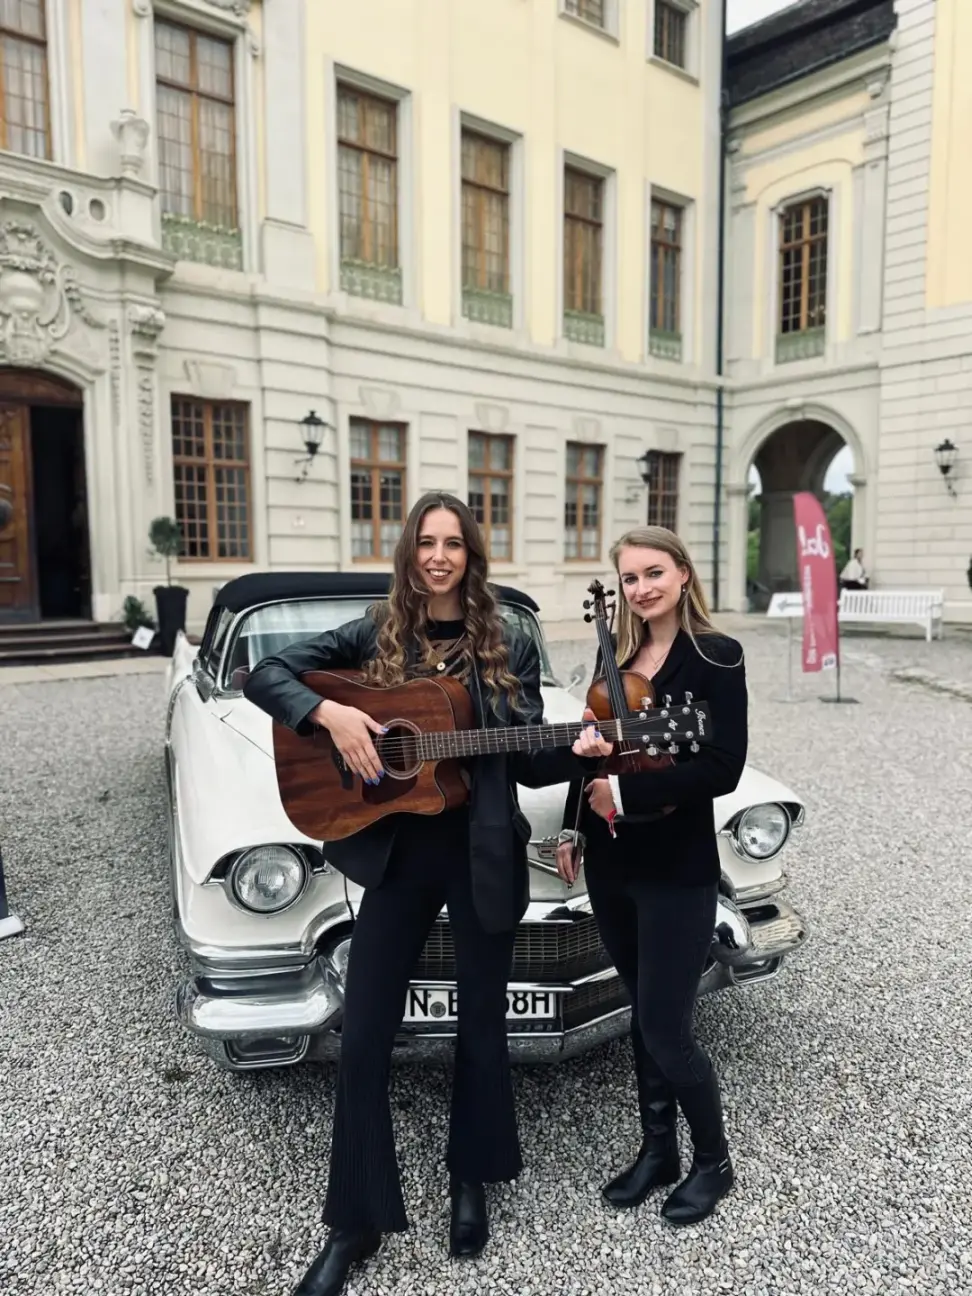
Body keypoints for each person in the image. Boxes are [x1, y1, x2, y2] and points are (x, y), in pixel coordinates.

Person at [243, 492, 609, 1296]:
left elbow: (526, 757)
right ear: (409, 551)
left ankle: (470, 1178)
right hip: (398, 855)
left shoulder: (506, 637)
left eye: (454, 543)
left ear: (471, 555)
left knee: (481, 1024)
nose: (439, 556)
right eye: (427, 542)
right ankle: (355, 1221)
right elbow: (263, 674)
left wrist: (581, 751)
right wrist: (331, 714)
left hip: (480, 850)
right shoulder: (375, 630)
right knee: (364, 1034)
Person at [556, 526, 748, 1227]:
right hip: (613, 867)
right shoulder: (617, 657)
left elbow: (723, 766)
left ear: (683, 574)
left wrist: (629, 794)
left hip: (677, 867)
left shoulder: (716, 656)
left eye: (653, 572)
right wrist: (575, 827)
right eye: (630, 578)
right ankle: (658, 1150)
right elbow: (596, 756)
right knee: (641, 1014)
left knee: (668, 1027)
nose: (640, 588)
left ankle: (714, 1163)